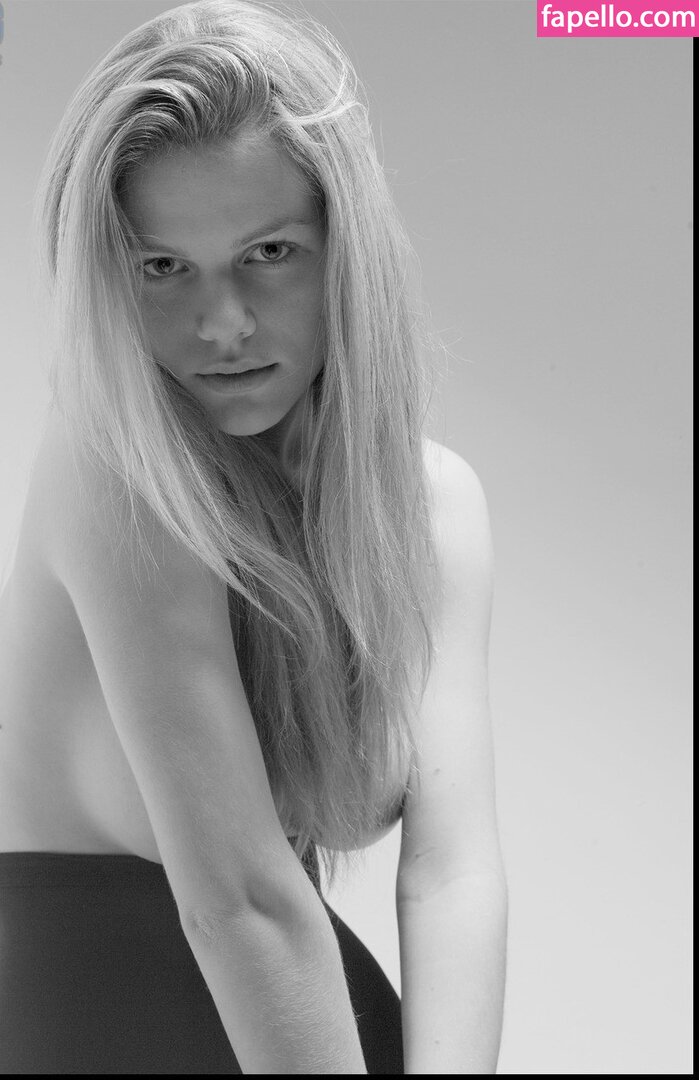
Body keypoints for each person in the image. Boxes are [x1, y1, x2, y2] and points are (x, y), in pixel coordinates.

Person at [0, 0, 508, 1073]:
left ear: (345, 252)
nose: (221, 325)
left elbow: (451, 875)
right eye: (162, 266)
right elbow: (236, 901)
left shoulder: (432, 510)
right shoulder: (114, 466)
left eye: (268, 252)